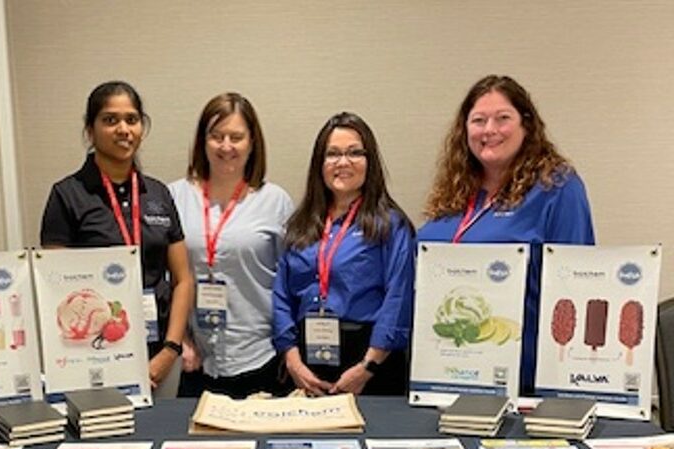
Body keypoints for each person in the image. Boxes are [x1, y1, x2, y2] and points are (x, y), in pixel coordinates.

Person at [417, 75, 595, 395]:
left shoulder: (557, 187)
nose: (489, 130)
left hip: (522, 377)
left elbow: (575, 286)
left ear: (526, 125)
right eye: (478, 120)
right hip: (447, 370)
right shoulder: (455, 192)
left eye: (503, 118)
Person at [40, 80, 193, 398]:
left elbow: (183, 280)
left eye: (132, 119)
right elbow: (58, 290)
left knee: (162, 437)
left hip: (160, 352)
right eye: (110, 120)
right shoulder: (67, 195)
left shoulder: (158, 194)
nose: (124, 129)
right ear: (90, 130)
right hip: (95, 354)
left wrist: (170, 349)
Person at [272, 112, 414, 396]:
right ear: (320, 164)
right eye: (333, 154)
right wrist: (291, 359)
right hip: (306, 364)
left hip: (371, 363)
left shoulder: (390, 224)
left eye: (354, 153)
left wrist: (367, 367)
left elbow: (398, 300)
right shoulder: (300, 224)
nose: (343, 162)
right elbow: (281, 296)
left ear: (369, 161)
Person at [169, 92, 293, 398]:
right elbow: (165, 277)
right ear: (202, 141)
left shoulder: (275, 201)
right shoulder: (174, 197)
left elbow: (289, 285)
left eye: (236, 137)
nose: (226, 146)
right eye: (216, 136)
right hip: (196, 364)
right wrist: (179, 339)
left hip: (262, 360)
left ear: (252, 143)